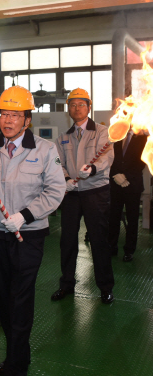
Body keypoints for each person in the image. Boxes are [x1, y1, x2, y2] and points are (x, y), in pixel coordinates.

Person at [0, 86, 65, 376]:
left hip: (29, 236)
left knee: (20, 298)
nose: (8, 120)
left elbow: (56, 190)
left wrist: (25, 216)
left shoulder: (45, 150)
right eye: (3, 114)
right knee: (3, 297)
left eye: (15, 115)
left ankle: (16, 364)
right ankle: (16, 355)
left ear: (27, 120)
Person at [52, 88, 115, 304]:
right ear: (68, 109)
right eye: (72, 104)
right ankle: (66, 284)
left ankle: (105, 287)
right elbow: (57, 163)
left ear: (89, 107)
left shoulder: (101, 132)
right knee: (67, 241)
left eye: (81, 104)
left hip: (95, 191)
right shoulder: (63, 138)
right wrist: (65, 179)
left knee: (99, 241)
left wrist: (93, 169)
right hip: (72, 194)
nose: (76, 108)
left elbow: (106, 157)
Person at [109, 129, 147, 262]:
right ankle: (112, 246)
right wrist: (115, 175)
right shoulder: (116, 135)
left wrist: (125, 176)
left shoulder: (143, 138)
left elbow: (143, 161)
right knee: (113, 217)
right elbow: (109, 157)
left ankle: (129, 250)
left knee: (132, 218)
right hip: (115, 183)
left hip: (133, 184)